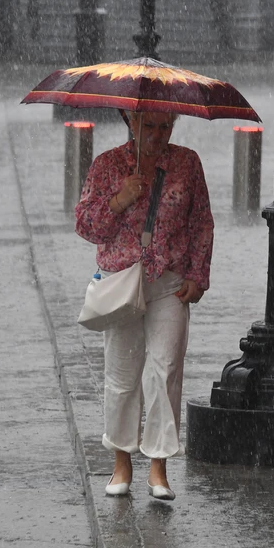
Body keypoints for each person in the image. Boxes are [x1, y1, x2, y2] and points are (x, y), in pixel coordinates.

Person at [74, 109, 214, 501]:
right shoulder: (108, 165)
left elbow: (202, 221)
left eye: (164, 125)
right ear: (130, 123)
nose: (157, 134)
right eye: (148, 125)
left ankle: (158, 466)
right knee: (122, 372)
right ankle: (121, 461)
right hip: (122, 282)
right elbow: (86, 224)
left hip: (169, 283)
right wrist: (120, 200)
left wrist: (197, 275)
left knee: (165, 370)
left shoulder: (186, 163)